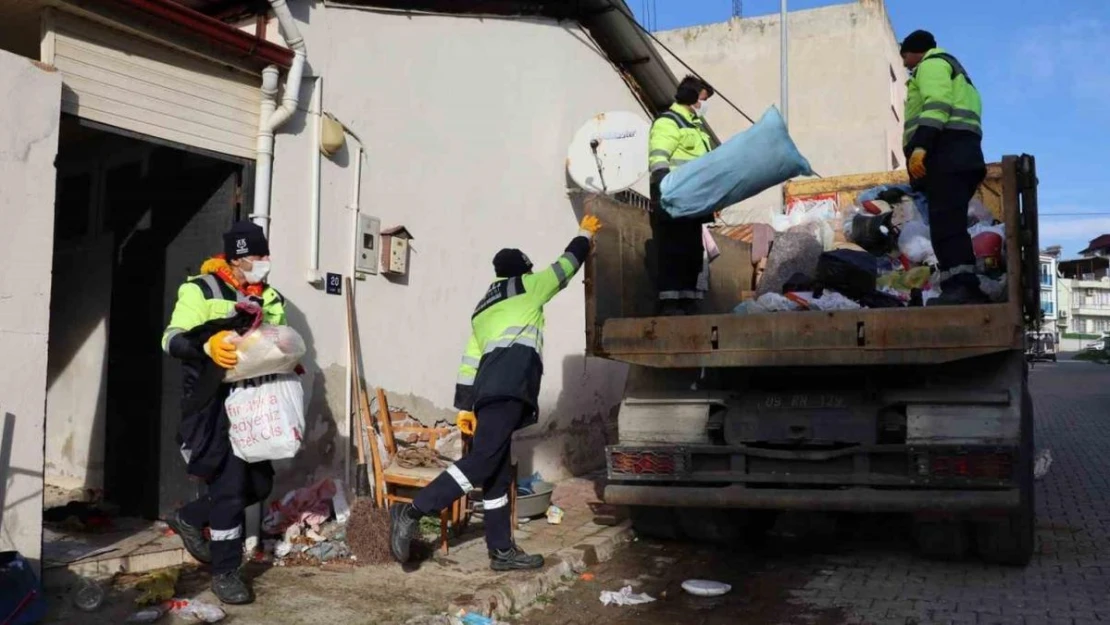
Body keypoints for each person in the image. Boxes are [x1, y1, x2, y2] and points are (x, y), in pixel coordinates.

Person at [389, 215, 603, 570]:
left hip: (487, 393)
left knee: (498, 475)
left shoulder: (482, 307)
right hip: (510, 386)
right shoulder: (528, 286)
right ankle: (413, 510)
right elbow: (567, 265)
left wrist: (465, 407)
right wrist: (586, 233)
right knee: (485, 461)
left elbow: (470, 359)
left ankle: (501, 550)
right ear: (522, 270)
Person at [161, 221, 286, 605]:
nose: (265, 262)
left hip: (255, 403)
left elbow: (277, 339)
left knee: (260, 485)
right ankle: (226, 571)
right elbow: (172, 339)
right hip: (213, 403)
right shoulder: (199, 288)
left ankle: (191, 517)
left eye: (266, 255)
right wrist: (208, 344)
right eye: (257, 256)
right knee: (230, 490)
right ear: (235, 258)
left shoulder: (271, 297)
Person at [900, 29, 988, 304]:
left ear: (916, 51)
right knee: (950, 224)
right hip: (961, 155)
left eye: (905, 57)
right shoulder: (955, 71)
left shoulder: (932, 65)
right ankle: (962, 287)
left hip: (946, 154)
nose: (904, 64)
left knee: (946, 227)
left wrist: (921, 147)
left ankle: (962, 289)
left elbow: (937, 106)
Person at [647, 74, 715, 316]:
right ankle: (670, 302)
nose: (703, 105)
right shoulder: (669, 122)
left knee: (692, 251)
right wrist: (666, 190)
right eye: (702, 99)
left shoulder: (695, 127)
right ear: (690, 97)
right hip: (675, 198)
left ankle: (687, 299)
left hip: (694, 200)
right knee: (673, 250)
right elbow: (658, 159)